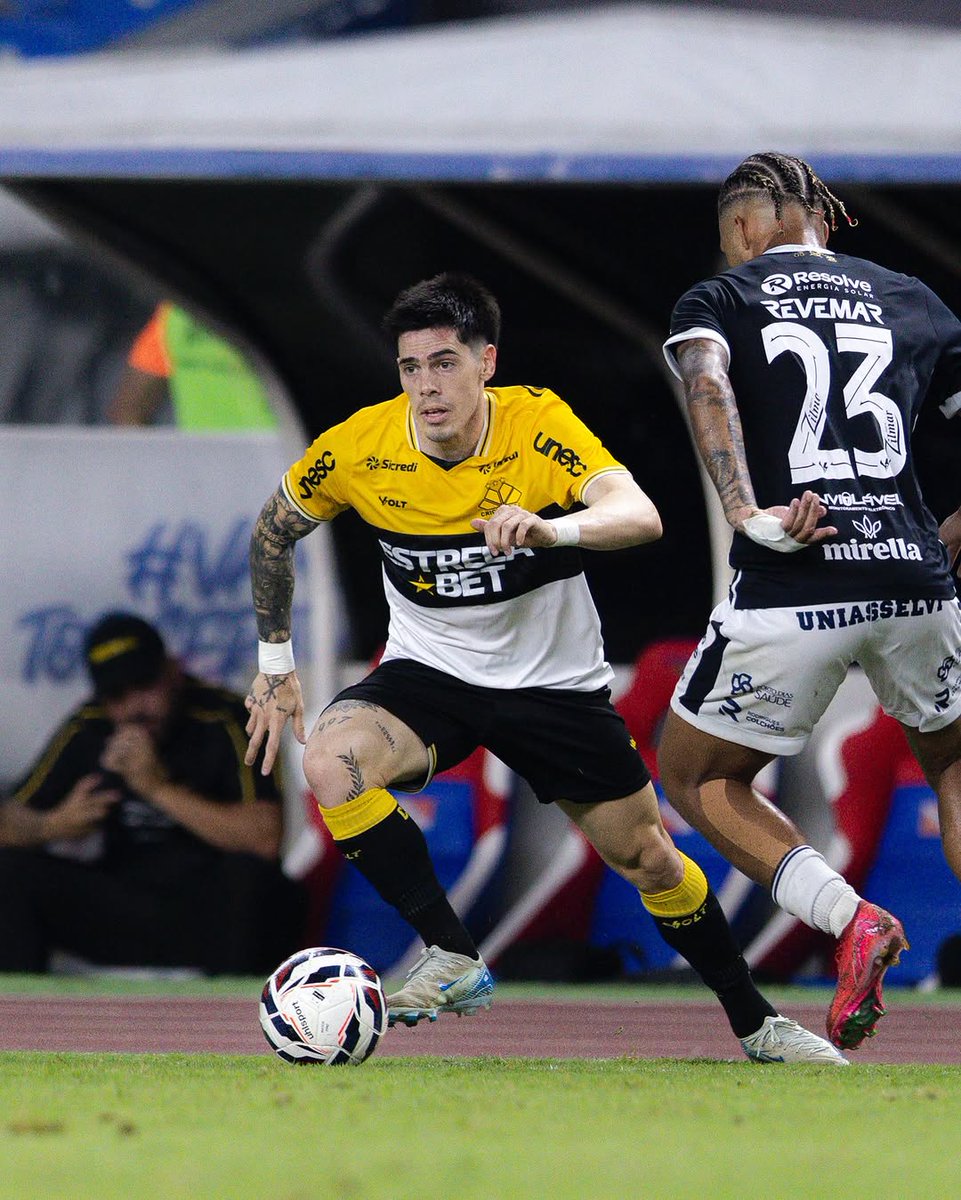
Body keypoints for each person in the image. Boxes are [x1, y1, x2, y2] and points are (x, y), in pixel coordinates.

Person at [243, 270, 847, 1063]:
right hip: (432, 673)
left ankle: (757, 1024)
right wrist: (276, 661)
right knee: (329, 760)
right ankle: (453, 954)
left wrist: (551, 532)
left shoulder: (536, 426)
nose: (426, 387)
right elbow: (271, 534)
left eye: (445, 363)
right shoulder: (360, 447)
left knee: (649, 859)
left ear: (485, 362)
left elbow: (639, 516)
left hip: (552, 686)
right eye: (410, 368)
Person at [658, 150, 961, 1050]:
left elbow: (705, 381)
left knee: (695, 773)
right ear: (817, 219)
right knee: (950, 762)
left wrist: (744, 510)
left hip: (796, 578)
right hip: (913, 581)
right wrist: (935, 541)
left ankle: (848, 919)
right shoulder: (912, 299)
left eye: (730, 241)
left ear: (747, 228)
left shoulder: (721, 301)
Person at [0, 613, 304, 974]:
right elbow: (9, 820)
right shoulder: (91, 725)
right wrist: (52, 825)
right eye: (116, 696)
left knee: (254, 881)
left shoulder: (226, 719)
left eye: (144, 685)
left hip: (210, 906)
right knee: (10, 872)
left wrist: (157, 788)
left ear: (173, 671)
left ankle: (235, 1019)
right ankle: (20, 1018)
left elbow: (266, 839)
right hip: (123, 899)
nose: (133, 707)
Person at [107, 301, 277, 430]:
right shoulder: (173, 315)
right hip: (212, 471)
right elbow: (128, 411)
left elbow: (128, 411)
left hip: (287, 466)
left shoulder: (175, 313)